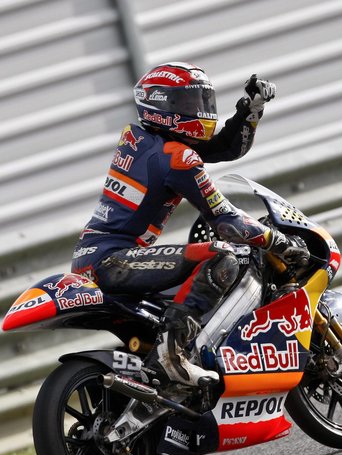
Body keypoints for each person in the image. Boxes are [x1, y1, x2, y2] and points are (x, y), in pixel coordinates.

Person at [71, 62, 309, 388]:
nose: (199, 110)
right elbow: (227, 222)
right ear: (161, 107)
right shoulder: (177, 158)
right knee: (222, 256)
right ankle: (172, 356)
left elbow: (225, 147)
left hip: (95, 257)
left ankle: (168, 363)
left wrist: (250, 110)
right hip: (113, 260)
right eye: (186, 103)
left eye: (201, 101)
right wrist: (277, 241)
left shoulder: (143, 141)